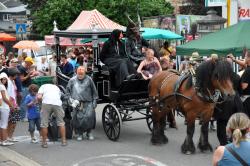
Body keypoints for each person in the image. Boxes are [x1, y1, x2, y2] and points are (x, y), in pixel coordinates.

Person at [214, 58, 245, 146]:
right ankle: (233, 142)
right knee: (234, 123)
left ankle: (223, 144)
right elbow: (240, 90)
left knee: (221, 124)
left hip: (223, 102)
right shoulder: (236, 76)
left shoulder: (219, 77)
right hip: (235, 102)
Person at [65, 66, 98, 141]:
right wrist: (71, 100)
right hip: (77, 103)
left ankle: (89, 132)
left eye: (82, 72)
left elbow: (94, 91)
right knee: (78, 119)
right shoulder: (72, 80)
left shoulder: (89, 79)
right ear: (76, 72)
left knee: (90, 117)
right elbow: (67, 92)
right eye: (79, 72)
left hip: (88, 102)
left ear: (85, 73)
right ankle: (80, 133)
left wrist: (95, 100)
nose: (80, 74)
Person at [37, 84, 67, 148]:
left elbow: (39, 97)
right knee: (61, 122)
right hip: (57, 103)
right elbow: (60, 97)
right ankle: (63, 141)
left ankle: (44, 143)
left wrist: (41, 104)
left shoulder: (42, 86)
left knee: (44, 123)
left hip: (46, 103)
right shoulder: (56, 87)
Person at [18, 57, 36, 121]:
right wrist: (29, 74)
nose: (31, 64)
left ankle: (25, 115)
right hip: (24, 87)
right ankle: (22, 117)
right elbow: (22, 79)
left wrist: (31, 75)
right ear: (27, 62)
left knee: (27, 101)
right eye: (30, 63)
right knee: (24, 102)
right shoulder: (21, 68)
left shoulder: (25, 68)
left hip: (27, 86)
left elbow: (26, 77)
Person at [7, 67, 21, 142]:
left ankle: (10, 136)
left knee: (13, 122)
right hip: (11, 104)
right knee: (11, 122)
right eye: (16, 74)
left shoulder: (12, 81)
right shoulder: (9, 82)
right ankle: (8, 137)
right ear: (14, 74)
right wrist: (12, 105)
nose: (17, 76)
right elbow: (9, 95)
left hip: (14, 103)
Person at [0, 72, 14, 146]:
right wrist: (11, 105)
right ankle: (4, 140)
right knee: (4, 124)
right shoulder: (2, 86)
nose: (5, 80)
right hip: (4, 107)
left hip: (2, 106)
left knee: (1, 124)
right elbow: (5, 98)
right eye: (3, 79)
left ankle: (2, 140)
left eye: (5, 79)